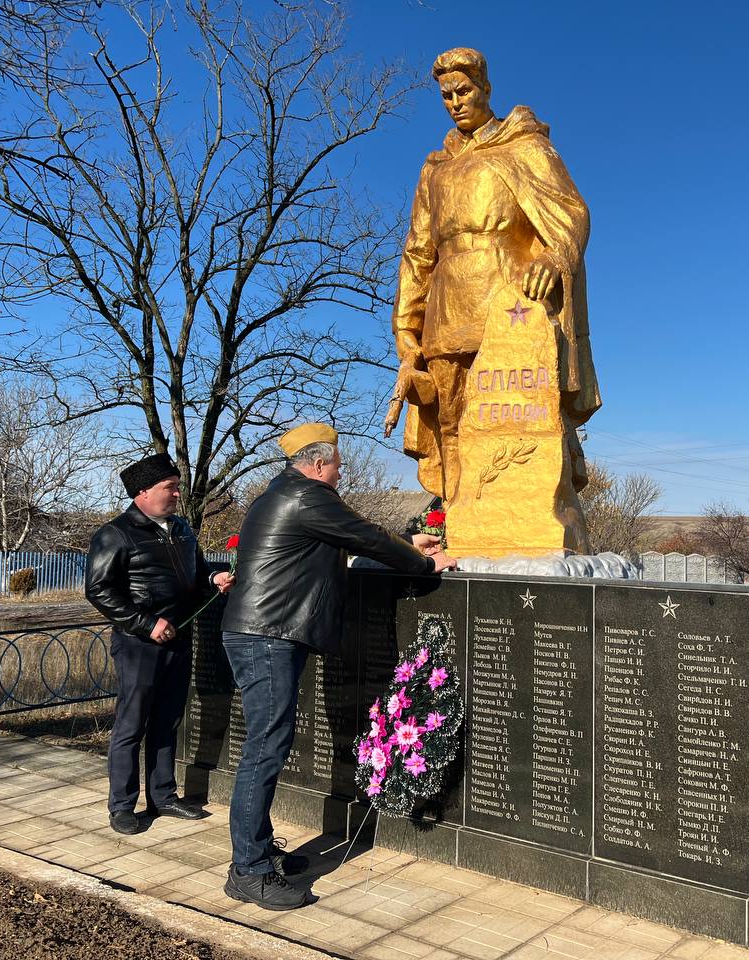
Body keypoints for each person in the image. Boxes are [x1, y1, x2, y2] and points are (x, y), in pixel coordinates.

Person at [219, 423, 456, 911]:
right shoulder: (308, 496)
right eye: (339, 464)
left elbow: (355, 537)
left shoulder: (282, 493)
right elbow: (364, 535)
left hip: (266, 631)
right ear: (319, 464)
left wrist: (412, 544)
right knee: (265, 749)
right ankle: (249, 872)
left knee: (267, 745)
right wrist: (424, 564)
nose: (341, 472)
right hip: (269, 635)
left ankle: (256, 854)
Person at [386, 46, 600, 504]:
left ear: (485, 88)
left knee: (519, 418)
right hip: (446, 313)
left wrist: (553, 255)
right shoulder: (435, 169)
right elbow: (418, 254)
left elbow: (570, 212)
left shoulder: (524, 146)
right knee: (451, 421)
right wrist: (407, 335)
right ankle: (464, 517)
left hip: (510, 306)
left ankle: (522, 513)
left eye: (463, 90)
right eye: (446, 95)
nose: (455, 102)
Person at [85, 453, 235, 835]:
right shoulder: (115, 533)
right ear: (143, 492)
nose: (177, 493)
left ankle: (163, 796)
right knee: (131, 725)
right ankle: (121, 806)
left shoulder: (182, 528)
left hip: (180, 640)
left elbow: (196, 573)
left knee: (168, 721)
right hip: (139, 645)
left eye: (177, 486)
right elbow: (99, 589)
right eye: (170, 487)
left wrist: (214, 577)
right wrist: (147, 624)